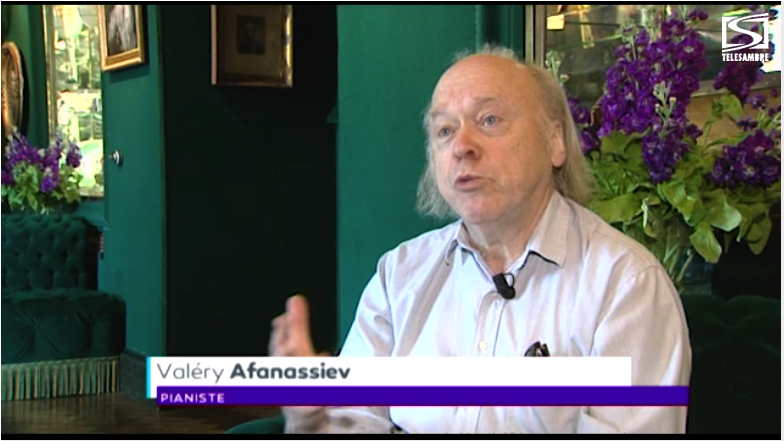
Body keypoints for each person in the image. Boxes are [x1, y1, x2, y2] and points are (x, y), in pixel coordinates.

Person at [269, 46, 691, 434]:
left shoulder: (626, 285)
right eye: (444, 131)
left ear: (555, 141)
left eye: (489, 120)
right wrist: (312, 419)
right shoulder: (399, 275)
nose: (462, 146)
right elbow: (357, 418)